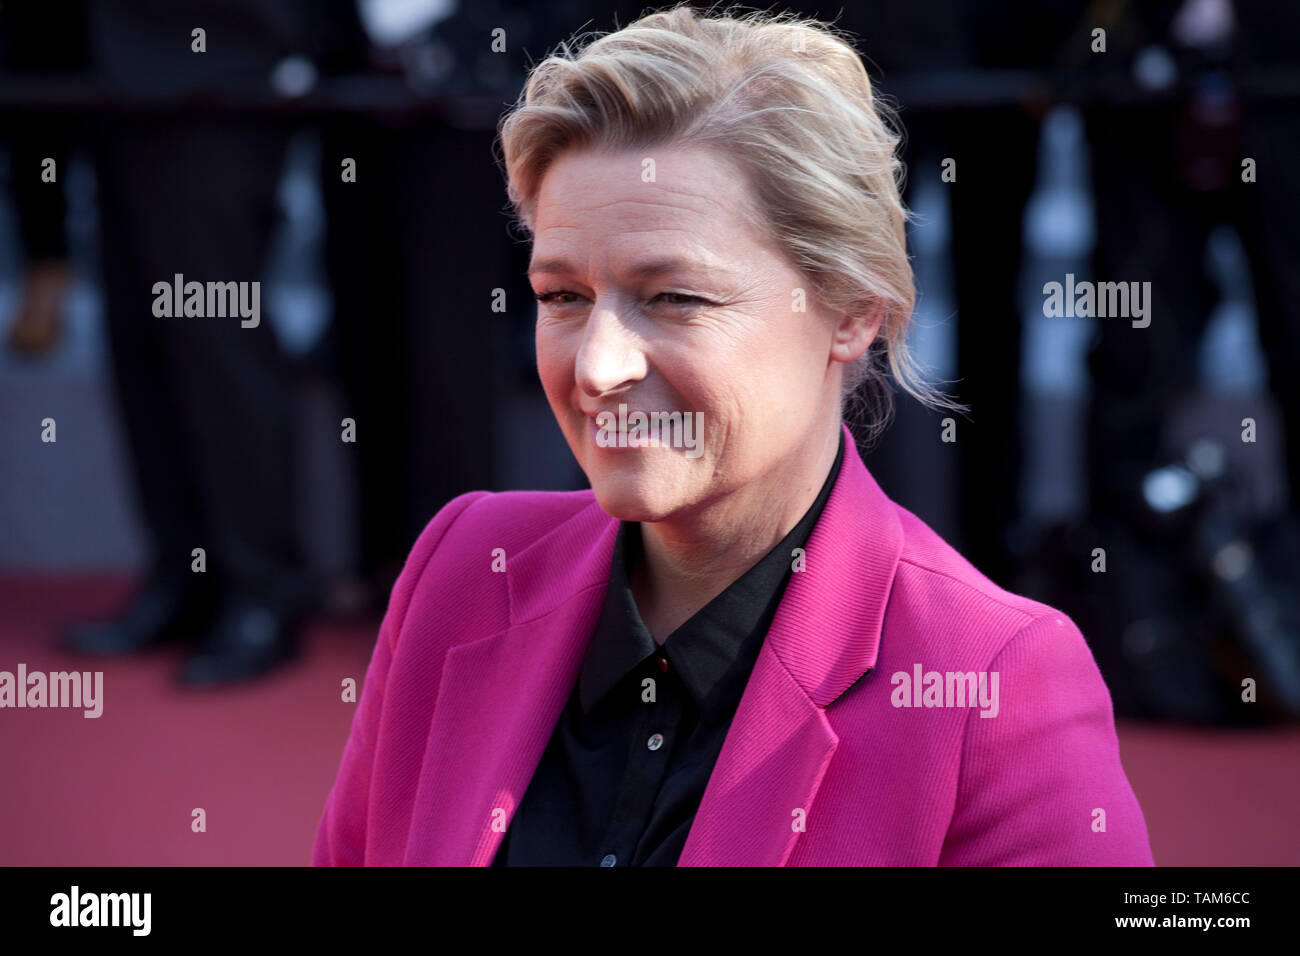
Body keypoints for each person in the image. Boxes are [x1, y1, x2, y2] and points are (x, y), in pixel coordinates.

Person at [313, 4, 1153, 866]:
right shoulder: (460, 568)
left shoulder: (994, 683)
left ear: (852, 309)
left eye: (676, 297)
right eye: (562, 296)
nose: (597, 367)